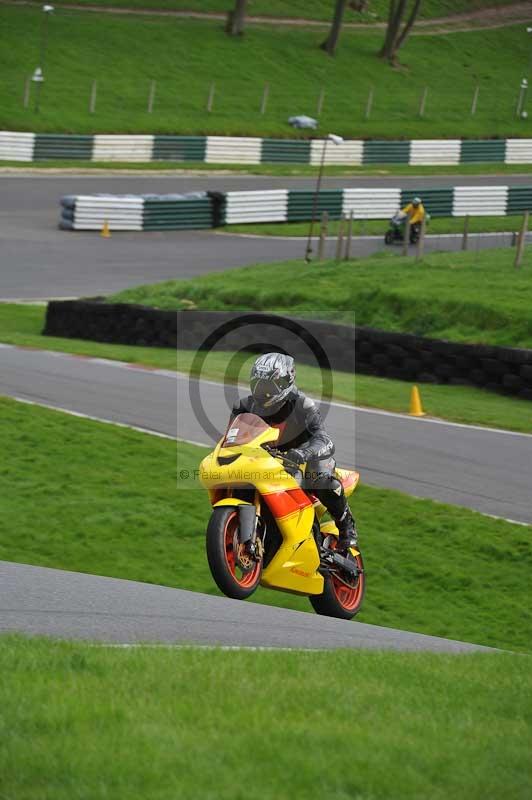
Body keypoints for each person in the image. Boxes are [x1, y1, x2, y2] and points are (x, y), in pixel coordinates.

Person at [230, 352, 358, 552]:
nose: (263, 391)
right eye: (259, 384)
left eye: (269, 386)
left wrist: (304, 453)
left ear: (285, 382)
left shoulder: (302, 404)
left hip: (306, 459)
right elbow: (232, 439)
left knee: (318, 478)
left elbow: (325, 439)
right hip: (269, 461)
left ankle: (346, 527)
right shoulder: (244, 406)